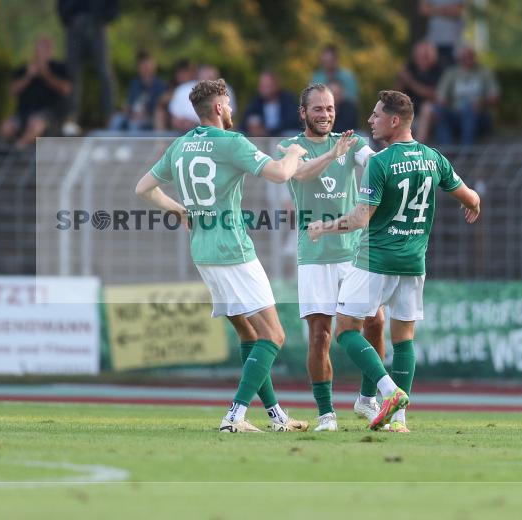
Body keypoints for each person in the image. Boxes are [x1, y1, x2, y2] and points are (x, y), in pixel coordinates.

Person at [135, 78, 310, 433]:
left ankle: (276, 417)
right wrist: (292, 153)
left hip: (202, 252)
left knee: (249, 335)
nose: (231, 110)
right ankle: (235, 416)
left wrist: (180, 212)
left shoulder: (181, 145)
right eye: (228, 103)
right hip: (233, 250)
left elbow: (143, 189)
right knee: (274, 336)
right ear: (218, 107)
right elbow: (279, 175)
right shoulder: (231, 143)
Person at [308, 90, 481, 433]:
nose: (370, 121)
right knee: (404, 339)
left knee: (345, 330)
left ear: (394, 120)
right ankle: (399, 422)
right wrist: (473, 205)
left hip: (376, 260)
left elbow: (360, 219)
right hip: (414, 263)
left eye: (376, 115)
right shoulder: (433, 158)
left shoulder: (380, 162)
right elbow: (470, 196)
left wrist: (323, 228)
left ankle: (389, 391)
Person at [276, 83, 386, 432]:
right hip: (316, 254)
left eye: (330, 108)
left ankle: (367, 400)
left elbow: (373, 162)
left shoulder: (352, 143)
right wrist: (332, 153)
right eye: (318, 109)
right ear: (303, 113)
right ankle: (326, 413)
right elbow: (302, 173)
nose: (325, 114)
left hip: (355, 251)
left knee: (375, 322)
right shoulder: (291, 147)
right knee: (321, 334)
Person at [57, 0, 119, 132]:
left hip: (96, 25)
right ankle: (71, 116)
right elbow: (61, 0)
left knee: (104, 71)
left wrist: (103, 19)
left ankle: (110, 115)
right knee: (72, 73)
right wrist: (68, 18)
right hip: (75, 25)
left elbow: (113, 2)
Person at [0, 36, 72, 148]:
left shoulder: (59, 68)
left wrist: (46, 74)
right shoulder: (24, 69)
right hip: (23, 113)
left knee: (36, 124)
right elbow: (11, 92)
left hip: (48, 114)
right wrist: (27, 77)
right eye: (40, 48)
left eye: (45, 48)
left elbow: (66, 89)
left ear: (51, 50)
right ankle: (10, 148)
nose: (42, 52)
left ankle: (18, 147)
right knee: (7, 126)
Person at [433, 44, 499, 145]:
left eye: (470, 55)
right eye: (464, 55)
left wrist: (481, 103)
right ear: (459, 58)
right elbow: (441, 97)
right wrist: (444, 104)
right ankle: (447, 150)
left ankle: (467, 148)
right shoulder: (450, 73)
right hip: (455, 113)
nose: (468, 58)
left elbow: (494, 97)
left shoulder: (484, 72)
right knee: (438, 111)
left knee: (468, 108)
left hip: (479, 115)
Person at [167, 64, 237, 132]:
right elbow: (175, 121)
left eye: (212, 79)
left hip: (216, 136)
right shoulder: (182, 90)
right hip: (186, 135)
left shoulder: (225, 91)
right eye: (206, 79)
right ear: (198, 77)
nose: (209, 83)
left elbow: (229, 122)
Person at [397, 41, 443, 142]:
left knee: (426, 107)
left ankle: (418, 146)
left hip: (433, 114)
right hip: (410, 112)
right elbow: (395, 95)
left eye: (425, 55)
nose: (422, 59)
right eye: (419, 56)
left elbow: (434, 95)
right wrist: (402, 80)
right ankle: (388, 153)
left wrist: (411, 82)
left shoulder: (439, 71)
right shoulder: (410, 69)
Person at [109, 50, 166, 132]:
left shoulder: (160, 86)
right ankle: (110, 143)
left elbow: (159, 108)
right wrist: (126, 109)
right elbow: (130, 102)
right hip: (132, 114)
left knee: (134, 123)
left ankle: (132, 144)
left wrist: (142, 114)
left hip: (148, 117)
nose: (145, 68)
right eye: (142, 65)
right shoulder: (135, 83)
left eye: (147, 65)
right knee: (116, 119)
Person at [241, 71, 299, 137]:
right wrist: (251, 126)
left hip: (281, 136)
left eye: (268, 85)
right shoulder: (256, 101)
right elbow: (245, 121)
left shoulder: (287, 99)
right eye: (262, 85)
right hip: (261, 138)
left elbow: (292, 121)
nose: (264, 89)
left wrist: (269, 131)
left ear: (276, 85)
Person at [311, 45, 359, 110]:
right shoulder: (317, 77)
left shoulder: (348, 76)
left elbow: (352, 99)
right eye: (324, 61)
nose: (327, 64)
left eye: (329, 61)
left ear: (336, 60)